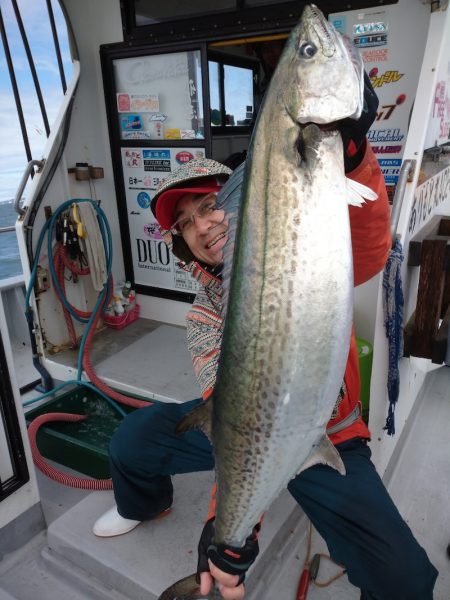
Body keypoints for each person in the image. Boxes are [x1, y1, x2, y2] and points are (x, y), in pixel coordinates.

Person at [93, 77, 438, 599]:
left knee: (405, 580)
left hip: (326, 435)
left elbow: (368, 249)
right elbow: (236, 418)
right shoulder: (205, 316)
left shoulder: (307, 253)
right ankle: (144, 503)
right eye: (186, 224)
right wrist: (229, 528)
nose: (202, 226)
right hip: (251, 426)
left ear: (241, 200)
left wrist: (351, 152)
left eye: (208, 206)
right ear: (183, 244)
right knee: (131, 439)